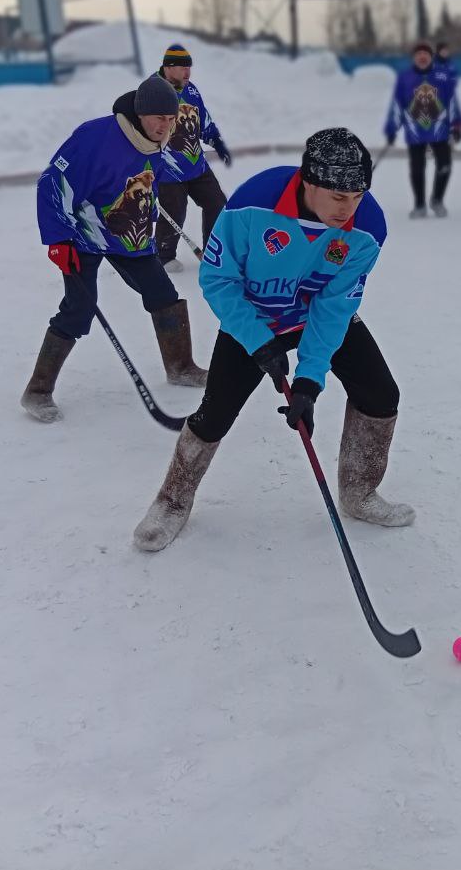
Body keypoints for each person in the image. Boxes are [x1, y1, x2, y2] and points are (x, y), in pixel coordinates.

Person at [133, 127, 414, 552]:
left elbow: (334, 305)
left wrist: (309, 380)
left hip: (310, 315)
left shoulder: (366, 229)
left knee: (381, 394)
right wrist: (258, 341)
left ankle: (359, 493)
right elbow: (218, 279)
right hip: (252, 316)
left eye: (357, 197)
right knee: (215, 414)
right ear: (308, 182)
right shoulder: (252, 205)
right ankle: (172, 501)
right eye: (339, 197)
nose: (349, 209)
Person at [21, 74, 209, 424]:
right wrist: (58, 239)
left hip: (127, 237)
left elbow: (144, 178)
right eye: (159, 119)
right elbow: (52, 182)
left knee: (163, 295)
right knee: (79, 308)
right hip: (81, 236)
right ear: (140, 114)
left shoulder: (157, 140)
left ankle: (181, 366)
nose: (165, 127)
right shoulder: (95, 138)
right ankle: (38, 390)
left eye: (171, 120)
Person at [153, 42, 232, 272]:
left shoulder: (191, 90)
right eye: (181, 67)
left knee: (216, 201)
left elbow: (202, 120)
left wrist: (217, 141)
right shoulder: (153, 91)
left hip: (196, 163)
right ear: (168, 68)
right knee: (175, 210)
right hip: (167, 167)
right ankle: (164, 255)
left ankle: (212, 250)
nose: (187, 72)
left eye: (189, 67)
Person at [384, 40, 461, 219]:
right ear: (414, 57)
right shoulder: (405, 78)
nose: (422, 57)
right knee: (417, 169)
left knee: (445, 165)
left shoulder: (442, 76)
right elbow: (397, 104)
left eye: (425, 54)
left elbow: (452, 102)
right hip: (415, 132)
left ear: (431, 57)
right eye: (418, 54)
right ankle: (419, 204)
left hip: (439, 130)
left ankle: (437, 199)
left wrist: (456, 124)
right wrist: (391, 128)